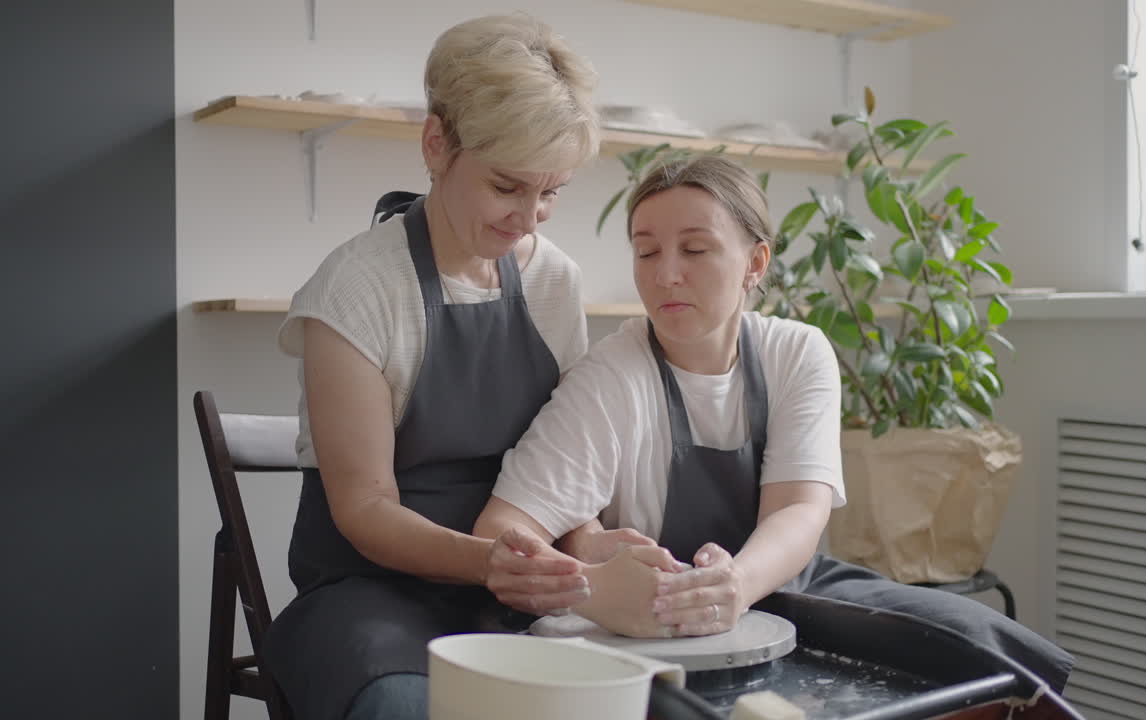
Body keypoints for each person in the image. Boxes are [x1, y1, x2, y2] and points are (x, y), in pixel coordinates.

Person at [474, 154, 1074, 692]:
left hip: (785, 584)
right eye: (647, 250)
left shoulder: (798, 353)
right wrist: (589, 569)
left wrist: (735, 585)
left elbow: (798, 510)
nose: (666, 275)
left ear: (755, 262)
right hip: (655, 619)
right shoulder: (612, 376)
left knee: (984, 643)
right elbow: (501, 528)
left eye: (696, 248)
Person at [260, 14, 646, 720]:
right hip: (368, 599)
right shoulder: (357, 289)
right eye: (507, 186)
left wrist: (590, 544)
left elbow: (561, 463)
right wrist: (489, 562)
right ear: (437, 144)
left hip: (510, 589)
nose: (529, 217)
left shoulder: (554, 281)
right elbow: (364, 509)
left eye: (551, 192)